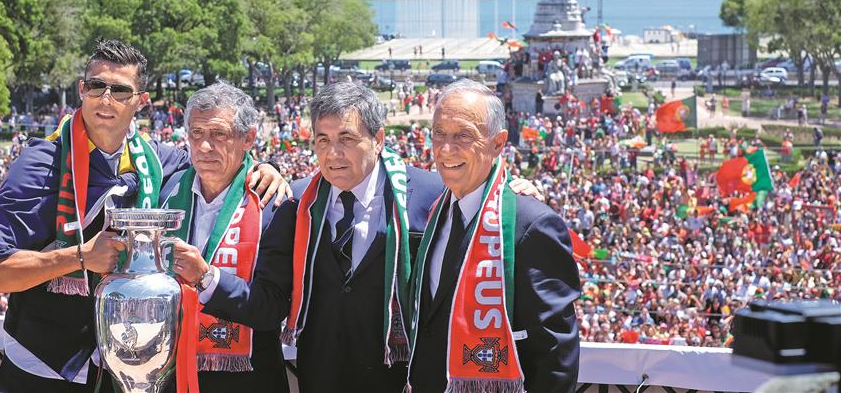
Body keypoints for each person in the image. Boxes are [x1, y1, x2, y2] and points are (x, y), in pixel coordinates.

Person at [0, 39, 287, 392]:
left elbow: (221, 161)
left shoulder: (158, 160)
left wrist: (265, 167)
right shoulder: (40, 163)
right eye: (97, 86)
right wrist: (80, 257)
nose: (106, 99)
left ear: (141, 101)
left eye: (120, 90)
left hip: (123, 366)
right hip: (45, 364)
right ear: (82, 90)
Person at [201, 83, 543, 393]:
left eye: (347, 139)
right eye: (323, 140)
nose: (333, 153)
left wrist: (509, 191)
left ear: (378, 139)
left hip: (401, 378)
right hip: (320, 377)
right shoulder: (296, 201)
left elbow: (478, 196)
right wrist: (264, 165)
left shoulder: (429, 194)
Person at [406, 79, 580, 393]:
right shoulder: (433, 209)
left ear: (498, 143)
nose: (446, 149)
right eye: (439, 134)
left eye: (463, 136)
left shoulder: (530, 224)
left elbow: (556, 352)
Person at [159, 82, 289, 393]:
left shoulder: (273, 204)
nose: (204, 147)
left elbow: (272, 308)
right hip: (172, 373)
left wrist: (206, 278)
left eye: (219, 134)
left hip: (246, 380)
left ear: (249, 139)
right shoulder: (165, 191)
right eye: (196, 134)